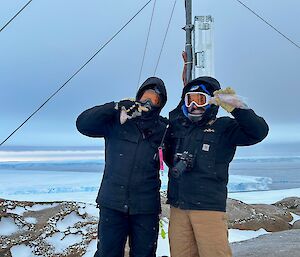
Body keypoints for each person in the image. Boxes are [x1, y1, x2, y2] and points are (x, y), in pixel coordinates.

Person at [164, 75, 269, 257]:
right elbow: (167, 154)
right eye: (190, 100)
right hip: (178, 207)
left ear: (211, 102)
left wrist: (237, 107)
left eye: (200, 99)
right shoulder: (178, 128)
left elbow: (258, 132)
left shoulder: (224, 128)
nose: (194, 105)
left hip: (208, 208)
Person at [76, 77, 168, 257]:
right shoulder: (118, 121)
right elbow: (82, 124)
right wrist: (114, 106)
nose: (148, 102)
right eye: (145, 97)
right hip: (112, 203)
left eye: (154, 99)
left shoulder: (164, 129)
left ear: (161, 103)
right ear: (137, 97)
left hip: (146, 207)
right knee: (107, 253)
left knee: (144, 254)